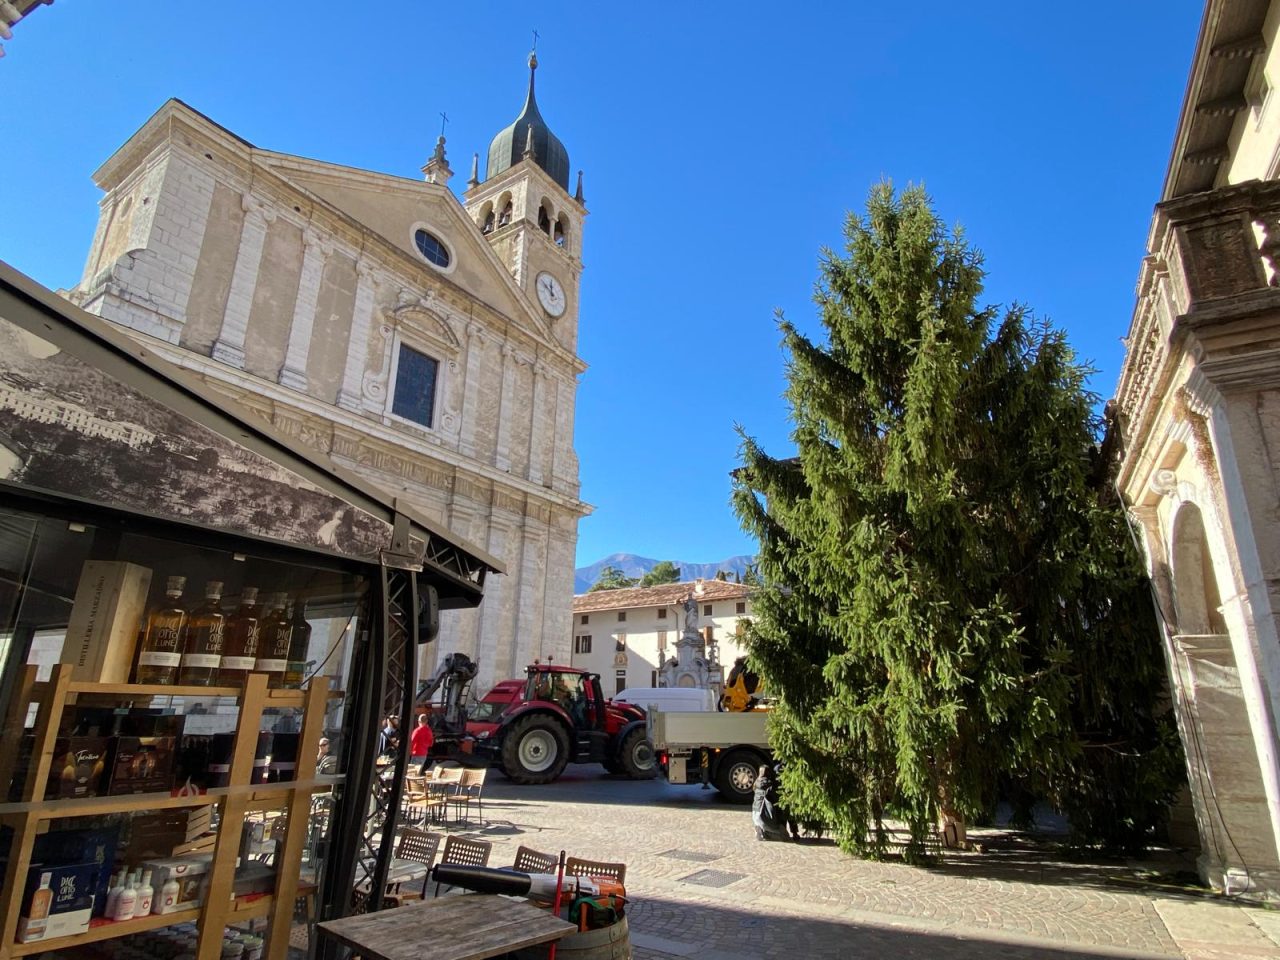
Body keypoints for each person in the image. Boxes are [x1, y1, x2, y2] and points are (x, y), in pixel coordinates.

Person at [751, 764, 790, 841]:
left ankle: (760, 830)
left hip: (755, 815)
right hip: (766, 816)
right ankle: (767, 833)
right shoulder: (771, 786)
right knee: (785, 836)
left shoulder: (756, 783)